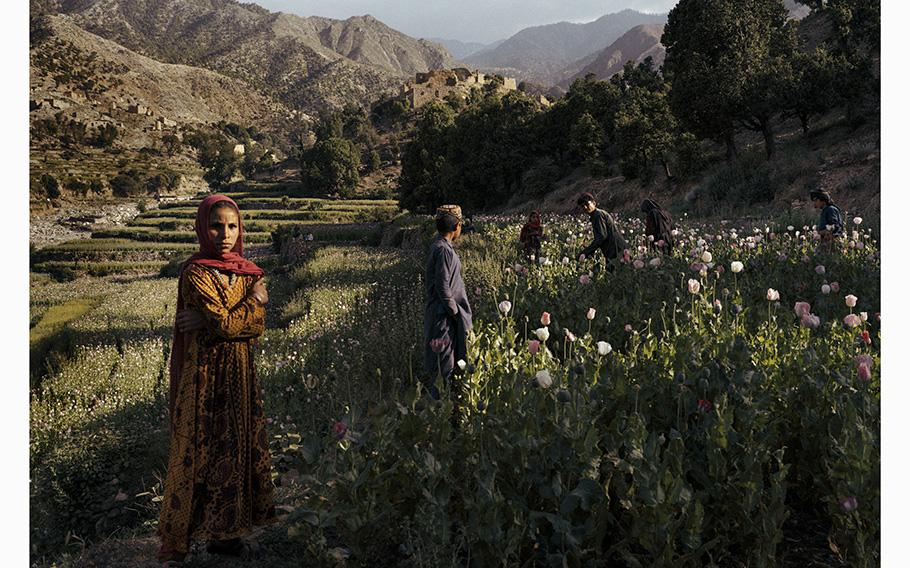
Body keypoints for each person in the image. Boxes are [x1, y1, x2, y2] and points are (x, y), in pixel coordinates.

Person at [158, 194, 275, 566]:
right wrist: (250, 304)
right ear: (202, 228)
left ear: (240, 230)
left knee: (235, 448)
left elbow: (253, 330)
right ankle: (184, 535)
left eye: (231, 226)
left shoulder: (249, 271)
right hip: (205, 376)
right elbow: (229, 323)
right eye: (216, 225)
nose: (224, 233)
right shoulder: (196, 272)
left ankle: (226, 535)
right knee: (200, 449)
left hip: (239, 373)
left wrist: (213, 320)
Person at [423, 205, 473, 398]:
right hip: (443, 318)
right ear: (457, 226)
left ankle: (442, 410)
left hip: (440, 315)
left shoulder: (439, 246)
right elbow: (444, 288)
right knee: (443, 369)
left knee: (443, 365)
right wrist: (455, 313)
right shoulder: (444, 251)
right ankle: (439, 414)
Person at [576, 192, 628, 268]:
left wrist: (585, 252)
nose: (585, 207)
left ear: (594, 203)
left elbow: (601, 237)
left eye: (587, 204)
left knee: (616, 276)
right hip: (614, 250)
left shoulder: (598, 215)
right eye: (582, 206)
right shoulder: (596, 215)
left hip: (616, 251)